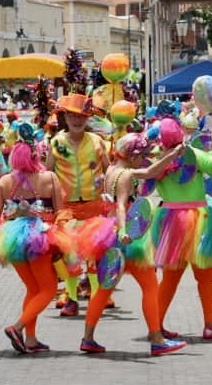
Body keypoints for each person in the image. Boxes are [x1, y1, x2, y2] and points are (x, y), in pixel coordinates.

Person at [78, 132, 188, 355]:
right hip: (126, 239)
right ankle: (157, 340)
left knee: (104, 288)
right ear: (132, 155)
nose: (144, 159)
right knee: (150, 287)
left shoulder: (113, 171)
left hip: (108, 236)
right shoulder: (126, 175)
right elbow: (120, 205)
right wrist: (125, 231)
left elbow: (150, 172)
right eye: (142, 155)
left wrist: (173, 155)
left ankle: (87, 338)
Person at [0, 122, 72, 354]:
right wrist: (61, 235)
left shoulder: (3, 182)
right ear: (36, 154)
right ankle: (17, 327)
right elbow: (61, 211)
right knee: (49, 289)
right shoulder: (49, 178)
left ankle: (30, 339)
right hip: (40, 237)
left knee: (33, 288)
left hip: (12, 238)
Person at [152, 118, 212, 340]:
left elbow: (144, 184)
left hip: (170, 221)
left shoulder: (158, 160)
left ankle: (156, 326)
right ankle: (209, 325)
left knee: (170, 278)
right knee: (206, 276)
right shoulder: (192, 155)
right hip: (198, 220)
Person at [44, 94, 111, 317]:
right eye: (72, 116)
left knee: (92, 254)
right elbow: (47, 174)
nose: (77, 120)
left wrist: (110, 188)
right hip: (67, 207)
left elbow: (108, 170)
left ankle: (94, 297)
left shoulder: (97, 141)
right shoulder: (56, 142)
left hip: (93, 205)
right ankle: (72, 299)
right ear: (65, 117)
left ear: (88, 118)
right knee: (70, 254)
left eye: (81, 116)